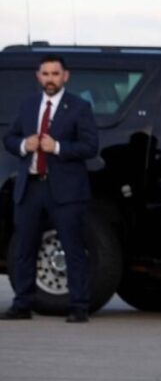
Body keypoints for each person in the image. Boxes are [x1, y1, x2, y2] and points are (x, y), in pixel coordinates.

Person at [1, 54, 98, 323]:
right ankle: (22, 304)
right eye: (46, 74)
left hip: (66, 191)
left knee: (73, 247)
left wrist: (56, 147)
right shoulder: (29, 105)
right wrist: (24, 145)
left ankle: (79, 306)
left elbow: (91, 147)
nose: (50, 79)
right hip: (30, 187)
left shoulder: (79, 107)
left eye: (55, 74)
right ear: (38, 76)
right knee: (24, 248)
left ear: (65, 76)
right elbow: (9, 138)